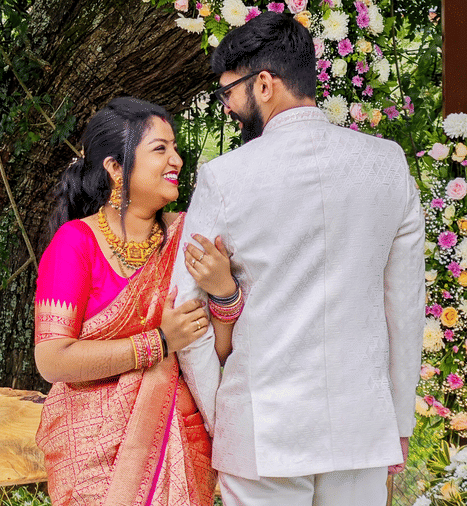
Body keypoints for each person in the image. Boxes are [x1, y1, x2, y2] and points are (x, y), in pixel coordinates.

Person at [171, 12, 426, 506]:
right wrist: (398, 424)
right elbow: (406, 310)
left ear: (263, 84)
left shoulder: (225, 177)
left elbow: (188, 312)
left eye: (229, 93)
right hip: (361, 428)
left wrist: (220, 419)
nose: (227, 109)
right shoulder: (387, 164)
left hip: (261, 432)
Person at [33, 97, 238, 505]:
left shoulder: (188, 239)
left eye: (175, 147)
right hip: (94, 459)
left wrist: (224, 292)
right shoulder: (76, 243)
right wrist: (159, 342)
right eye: (160, 149)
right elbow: (53, 359)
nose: (176, 159)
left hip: (180, 441)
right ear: (114, 168)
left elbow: (220, 351)